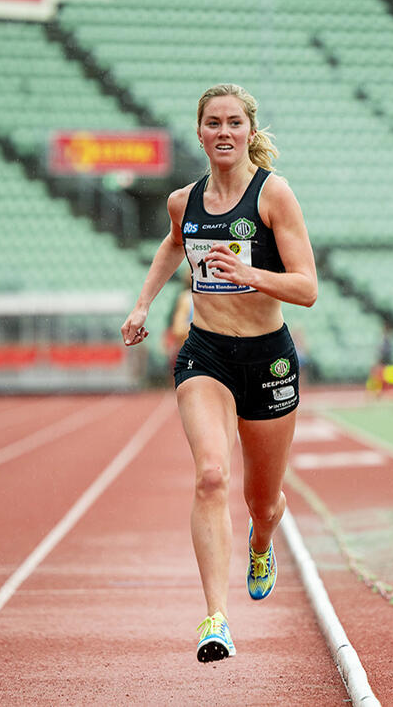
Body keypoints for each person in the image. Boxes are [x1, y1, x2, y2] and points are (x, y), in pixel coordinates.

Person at [120, 84, 318, 663]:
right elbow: (171, 244)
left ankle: (262, 539)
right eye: (213, 123)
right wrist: (142, 305)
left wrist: (251, 274)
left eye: (235, 122)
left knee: (264, 501)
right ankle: (216, 619)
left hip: (268, 359)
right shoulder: (183, 200)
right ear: (200, 132)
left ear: (250, 133)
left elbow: (307, 288)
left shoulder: (274, 196)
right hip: (205, 354)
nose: (224, 131)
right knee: (210, 475)